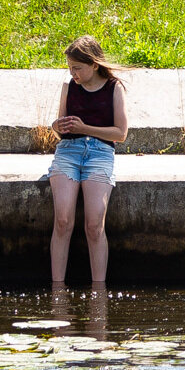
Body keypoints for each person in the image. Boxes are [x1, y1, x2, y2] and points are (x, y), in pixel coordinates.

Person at [48, 35, 129, 286]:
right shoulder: (68, 87)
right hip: (68, 151)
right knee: (63, 220)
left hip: (100, 153)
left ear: (94, 65)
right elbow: (59, 130)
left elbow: (121, 134)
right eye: (70, 68)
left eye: (78, 68)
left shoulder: (114, 87)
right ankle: (57, 289)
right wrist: (55, 126)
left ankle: (99, 291)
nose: (73, 73)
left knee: (94, 224)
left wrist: (87, 128)